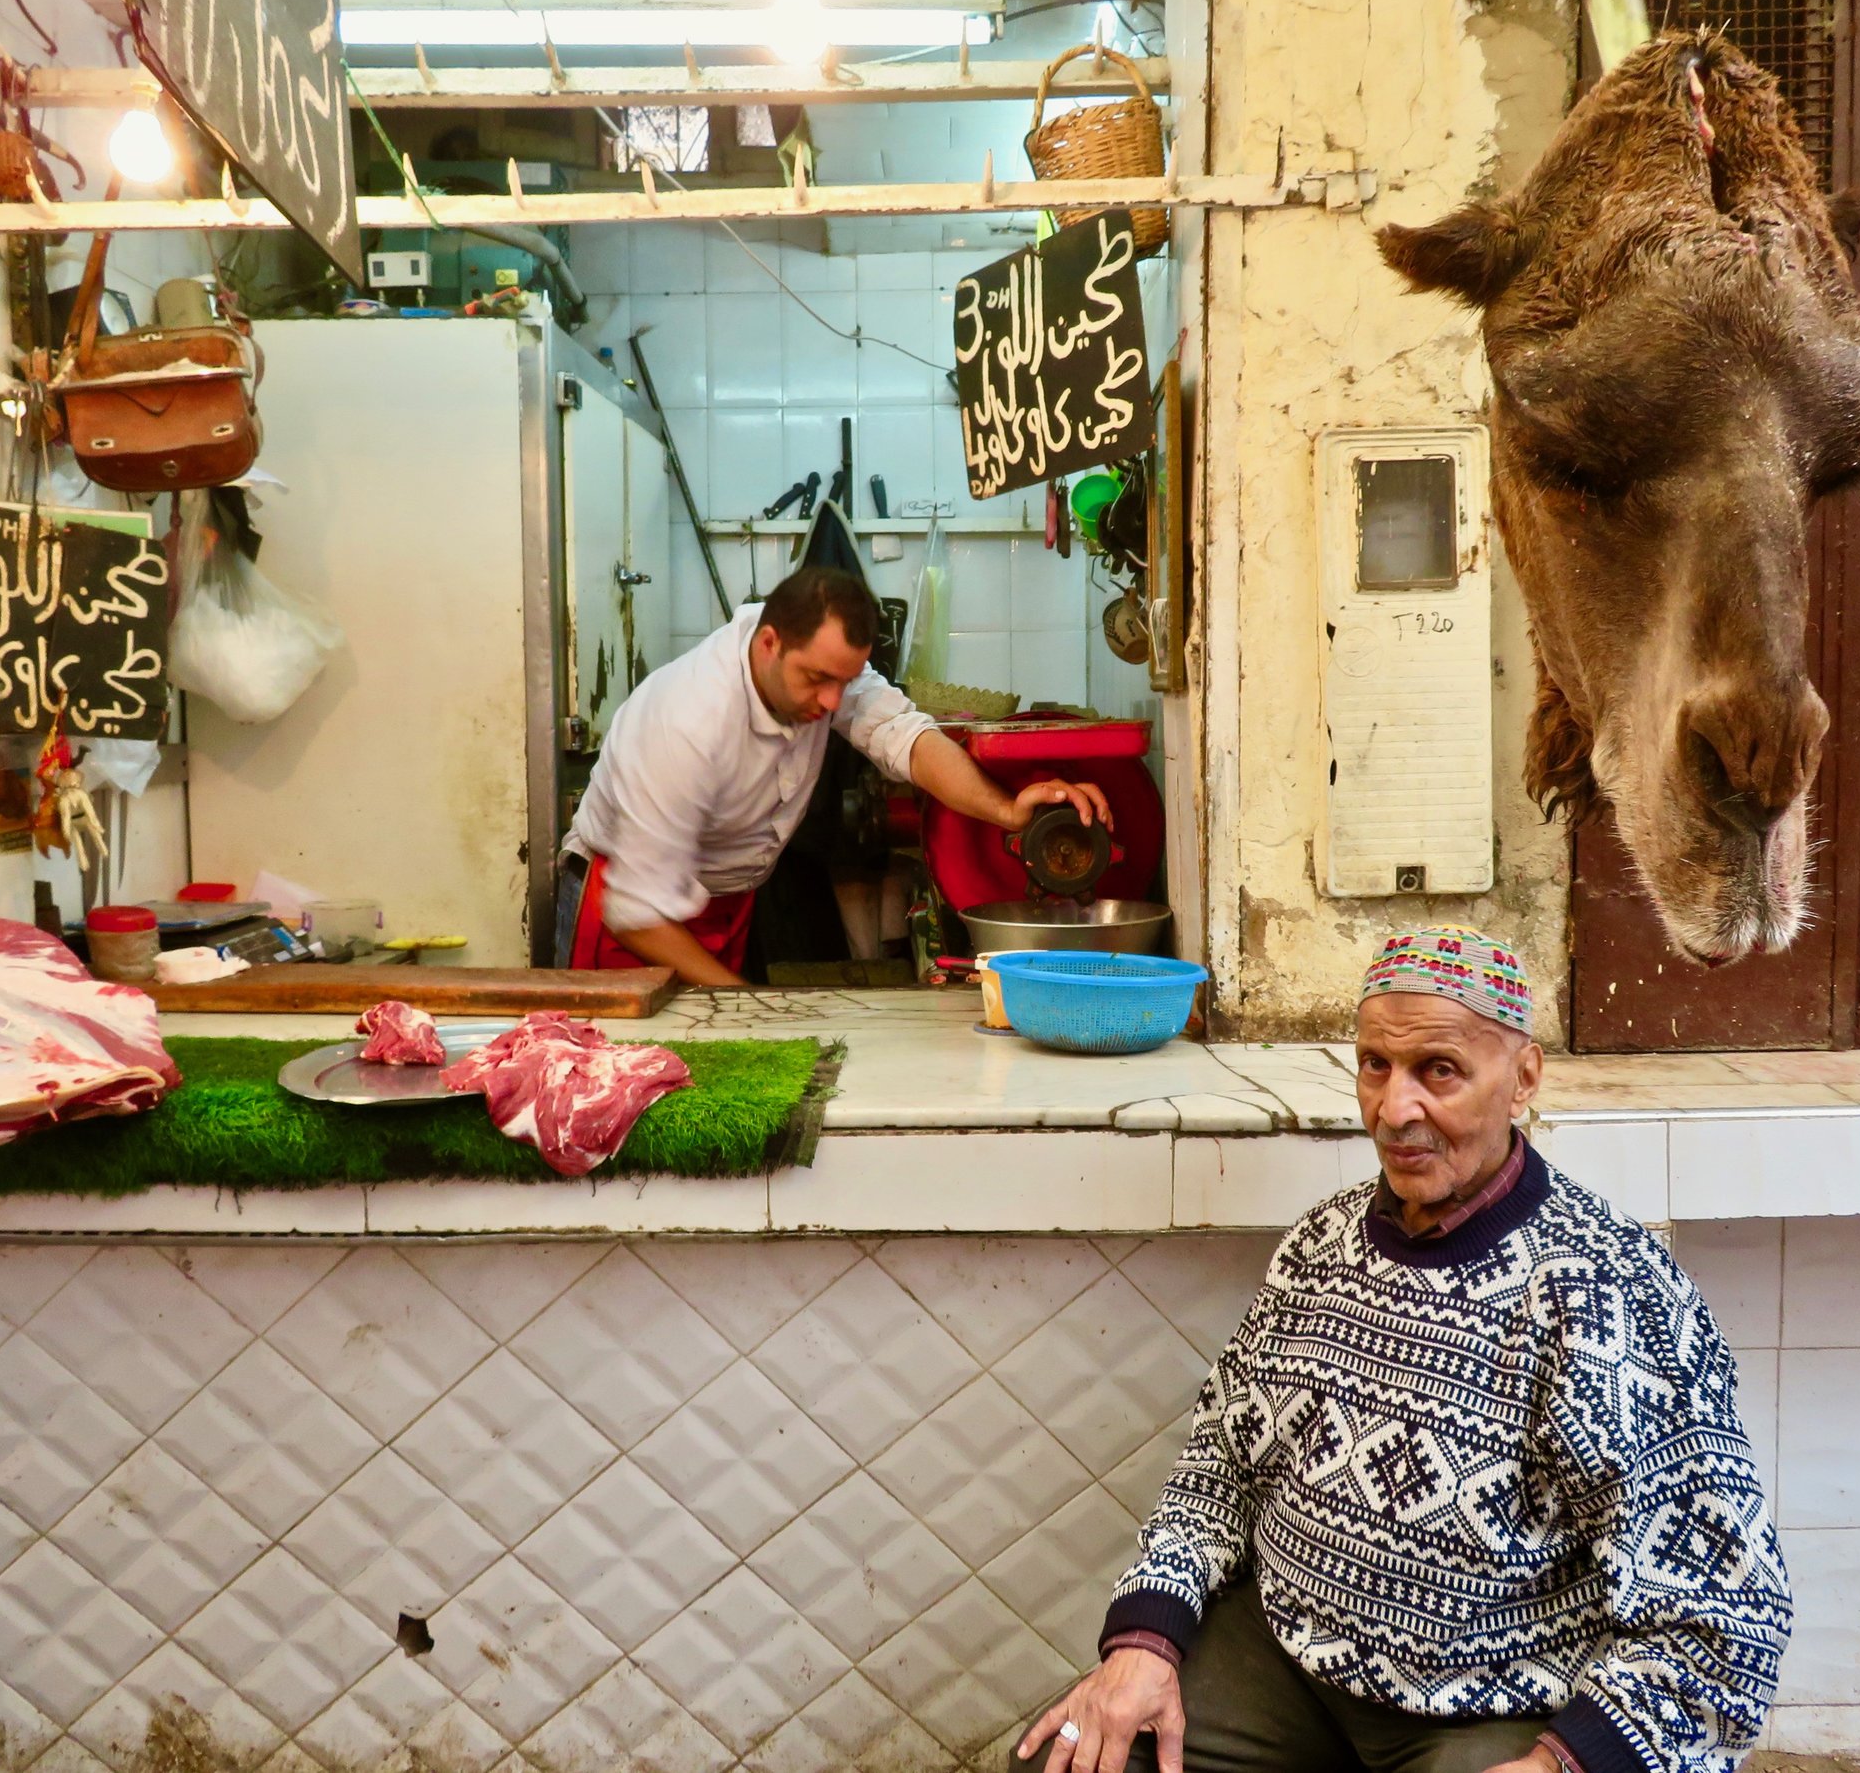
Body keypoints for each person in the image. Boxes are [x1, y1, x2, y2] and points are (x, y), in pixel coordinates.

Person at [1019, 926, 1789, 1773]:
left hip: (1495, 1709)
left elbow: (1728, 1611)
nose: (1394, 1110)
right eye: (1375, 1065)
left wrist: (1559, 1765)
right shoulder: (1322, 1242)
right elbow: (1218, 1468)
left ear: (1523, 1078)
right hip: (1287, 1668)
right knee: (1064, 1763)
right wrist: (1146, 1644)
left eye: (1439, 1070)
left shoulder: (1607, 1289)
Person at [557, 565, 1110, 986]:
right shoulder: (685, 723)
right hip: (625, 916)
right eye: (817, 679)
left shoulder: (824, 671)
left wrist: (1007, 809)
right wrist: (751, 1004)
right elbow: (635, 912)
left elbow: (905, 738)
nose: (831, 701)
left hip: (719, 904)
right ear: (769, 642)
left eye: (845, 682)